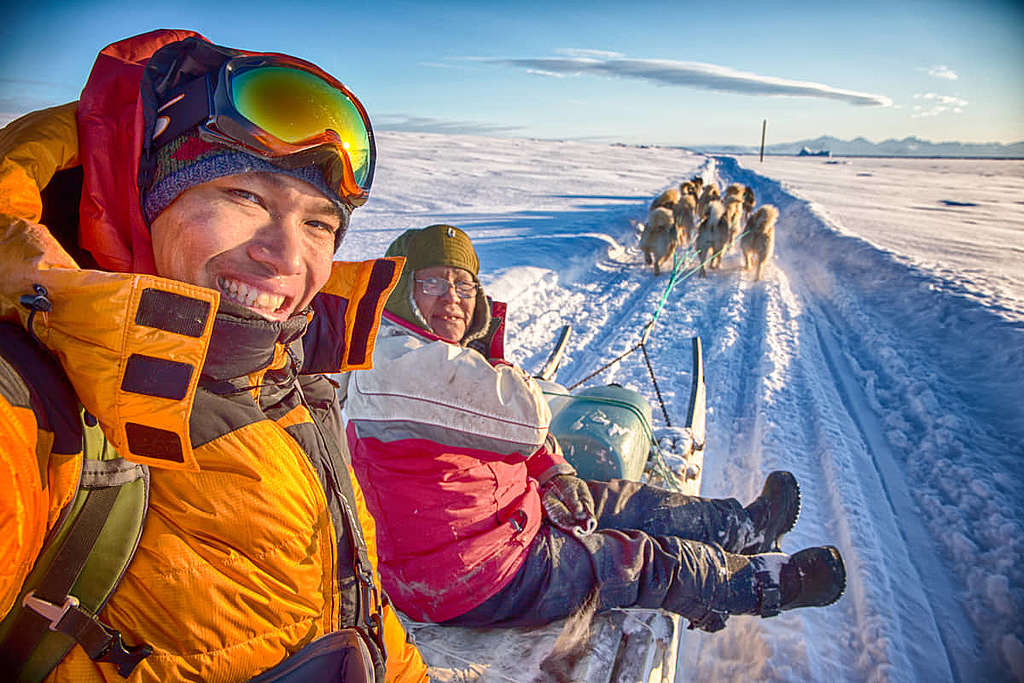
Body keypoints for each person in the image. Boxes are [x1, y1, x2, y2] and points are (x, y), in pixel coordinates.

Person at [0, 30, 428, 681]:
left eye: (319, 223)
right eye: (244, 196)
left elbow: (356, 607)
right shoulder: (31, 403)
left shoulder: (287, 374)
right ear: (146, 199)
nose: (286, 258)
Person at [341, 223, 846, 632]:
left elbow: (517, 439)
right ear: (402, 292)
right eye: (432, 282)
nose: (452, 298)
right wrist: (490, 350)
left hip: (500, 521)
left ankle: (747, 526)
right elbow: (525, 418)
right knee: (640, 562)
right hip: (469, 576)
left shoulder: (436, 358)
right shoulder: (396, 362)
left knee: (622, 500)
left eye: (464, 284)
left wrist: (556, 472)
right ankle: (768, 584)